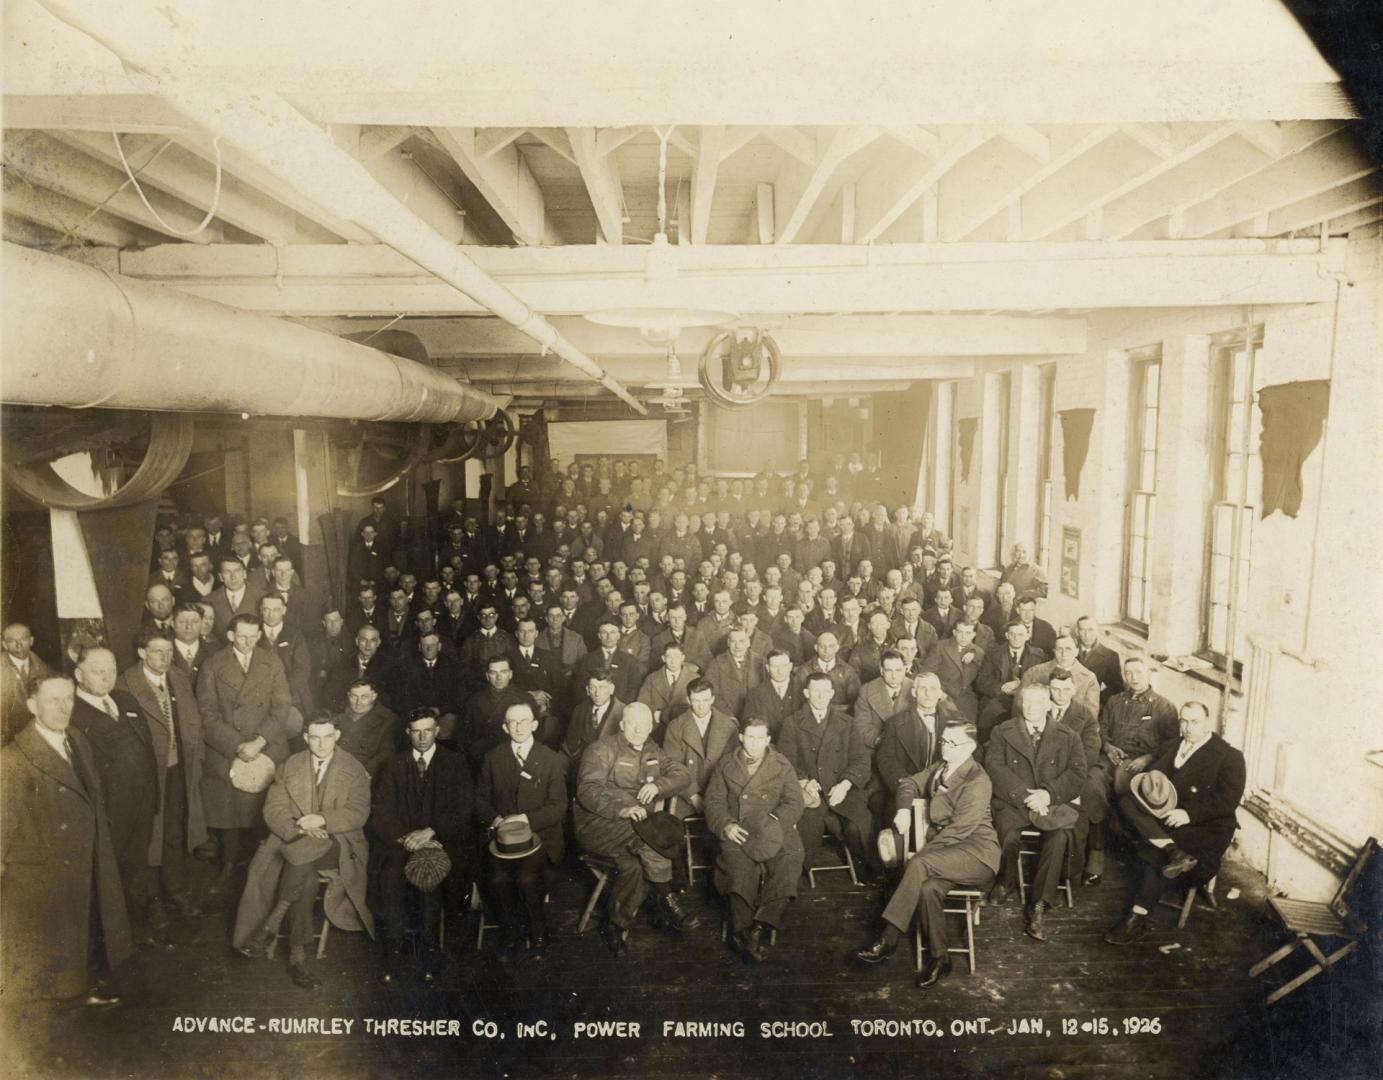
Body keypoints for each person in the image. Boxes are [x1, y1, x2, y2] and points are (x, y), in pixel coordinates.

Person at [2, 674, 132, 1004]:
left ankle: (85, 982)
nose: (64, 708)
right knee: (59, 940)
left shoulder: (74, 737)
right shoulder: (13, 759)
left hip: (84, 853)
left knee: (88, 924)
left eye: (68, 699)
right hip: (45, 865)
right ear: (32, 705)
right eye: (53, 701)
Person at [854, 721, 999, 987]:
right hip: (947, 854)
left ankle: (889, 938)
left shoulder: (977, 780)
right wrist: (903, 811)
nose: (944, 746)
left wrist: (918, 857)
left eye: (951, 743)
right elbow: (908, 783)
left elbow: (960, 829)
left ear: (970, 747)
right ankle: (940, 959)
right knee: (927, 889)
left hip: (977, 853)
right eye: (943, 740)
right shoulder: (941, 768)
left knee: (919, 864)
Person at [233, 716, 373, 989]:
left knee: (307, 853)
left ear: (337, 735)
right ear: (306, 738)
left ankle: (271, 923)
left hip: (337, 843)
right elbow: (273, 809)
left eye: (328, 736)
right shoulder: (290, 766)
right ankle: (298, 955)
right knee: (305, 876)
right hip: (294, 839)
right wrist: (299, 829)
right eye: (315, 737)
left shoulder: (354, 769)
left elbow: (359, 813)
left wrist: (321, 820)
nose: (321, 744)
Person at [1105, 702, 1246, 944]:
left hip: (1205, 826)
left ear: (1207, 723)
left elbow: (1228, 801)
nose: (1188, 727)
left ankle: (1137, 917)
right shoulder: (1172, 746)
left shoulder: (1228, 756)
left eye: (1195, 722)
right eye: (1184, 721)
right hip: (1167, 819)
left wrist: (1189, 815)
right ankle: (1172, 849)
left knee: (1155, 856)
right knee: (1126, 802)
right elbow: (1154, 779)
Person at [574, 703, 695, 956]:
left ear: (652, 726)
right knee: (657, 832)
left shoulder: (653, 749)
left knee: (637, 864)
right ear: (622, 724)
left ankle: (615, 926)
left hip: (636, 830)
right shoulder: (602, 749)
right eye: (633, 724)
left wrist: (659, 785)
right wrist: (623, 809)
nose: (639, 730)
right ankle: (667, 899)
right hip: (598, 825)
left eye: (645, 724)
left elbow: (683, 774)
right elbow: (588, 791)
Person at [371, 708, 473, 981]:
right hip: (401, 844)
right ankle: (392, 953)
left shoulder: (455, 762)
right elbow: (382, 813)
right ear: (408, 733)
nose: (422, 736)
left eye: (428, 730)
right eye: (416, 731)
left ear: (437, 731)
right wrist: (407, 839)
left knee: (430, 878)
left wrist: (431, 832)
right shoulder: (394, 764)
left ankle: (429, 954)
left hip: (442, 842)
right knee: (390, 877)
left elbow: (463, 811)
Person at [69, 645, 161, 947]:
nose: (107, 677)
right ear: (79, 674)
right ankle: (111, 942)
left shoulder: (125, 699)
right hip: (108, 813)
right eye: (97, 671)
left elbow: (147, 752)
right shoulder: (72, 714)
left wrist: (153, 798)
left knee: (136, 868)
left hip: (141, 806)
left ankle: (136, 932)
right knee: (109, 877)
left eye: (111, 669)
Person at [983, 685, 1087, 943]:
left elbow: (1077, 774)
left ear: (1050, 705)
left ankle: (1039, 905)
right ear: (1020, 703)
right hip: (1013, 801)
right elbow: (994, 767)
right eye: (1027, 702)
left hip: (1051, 803)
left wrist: (1048, 794)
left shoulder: (1069, 735)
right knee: (1008, 835)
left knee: (1059, 838)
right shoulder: (1002, 732)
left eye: (1039, 702)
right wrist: (1025, 795)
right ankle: (1005, 881)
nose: (1032, 707)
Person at [115, 630, 206, 924]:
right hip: (147, 774)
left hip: (178, 768)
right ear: (142, 653)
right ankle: (151, 898)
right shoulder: (125, 685)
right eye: (157, 652)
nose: (165, 658)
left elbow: (193, 722)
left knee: (175, 831)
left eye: (168, 652)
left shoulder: (178, 678)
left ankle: (175, 889)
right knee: (148, 836)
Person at [197, 613, 293, 888]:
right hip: (228, 746)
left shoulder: (272, 661)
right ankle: (228, 864)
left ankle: (265, 866)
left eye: (254, 636)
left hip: (267, 743)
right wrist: (236, 745)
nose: (249, 641)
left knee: (267, 807)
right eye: (242, 636)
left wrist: (259, 741)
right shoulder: (213, 665)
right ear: (230, 636)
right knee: (229, 810)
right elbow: (207, 713)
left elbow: (281, 706)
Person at [705, 719, 806, 964]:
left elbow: (795, 801)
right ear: (741, 737)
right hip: (739, 830)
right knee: (738, 869)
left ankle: (759, 926)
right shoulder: (725, 765)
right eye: (750, 737)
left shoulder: (782, 765)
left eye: (761, 738)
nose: (755, 743)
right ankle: (741, 931)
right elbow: (714, 802)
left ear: (768, 740)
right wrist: (726, 825)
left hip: (774, 829)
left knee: (790, 860)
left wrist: (774, 822)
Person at [475, 703, 567, 962]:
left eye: (524, 721)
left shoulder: (549, 758)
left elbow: (558, 806)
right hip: (503, 840)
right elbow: (479, 800)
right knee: (497, 880)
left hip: (542, 838)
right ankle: (512, 934)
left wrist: (525, 819)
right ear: (504, 726)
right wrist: (496, 820)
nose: (518, 727)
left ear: (535, 725)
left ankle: (538, 934)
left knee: (527, 878)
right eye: (512, 722)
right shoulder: (493, 757)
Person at [1085, 657, 1180, 885]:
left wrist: (1146, 758)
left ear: (1148, 675)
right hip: (1112, 757)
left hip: (1144, 763)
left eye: (1138, 672)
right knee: (1092, 783)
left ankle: (1132, 844)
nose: (1133, 678)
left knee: (1128, 787)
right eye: (1128, 673)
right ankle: (1096, 853)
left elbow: (1171, 744)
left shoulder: (1164, 707)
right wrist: (1108, 747)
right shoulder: (1114, 701)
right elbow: (1101, 730)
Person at [778, 671, 879, 883]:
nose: (821, 696)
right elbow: (786, 761)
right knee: (805, 832)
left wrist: (845, 784)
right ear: (806, 693)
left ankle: (867, 874)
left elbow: (861, 760)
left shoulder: (847, 722)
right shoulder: (792, 723)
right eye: (816, 691)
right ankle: (793, 881)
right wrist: (804, 781)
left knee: (857, 827)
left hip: (843, 790)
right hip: (810, 793)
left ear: (832, 693)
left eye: (825, 691)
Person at [660, 678, 739, 818]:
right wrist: (693, 796)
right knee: (676, 830)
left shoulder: (729, 727)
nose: (701, 706)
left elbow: (731, 768)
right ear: (689, 700)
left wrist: (714, 800)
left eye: (705, 700)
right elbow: (673, 767)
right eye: (696, 701)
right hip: (685, 792)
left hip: (720, 793)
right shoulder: (676, 727)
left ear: (712, 699)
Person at [1, 622, 56, 744]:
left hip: (39, 739)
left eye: (23, 639)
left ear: (31, 641)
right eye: (12, 641)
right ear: (4, 645)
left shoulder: (47, 671)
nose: (19, 645)